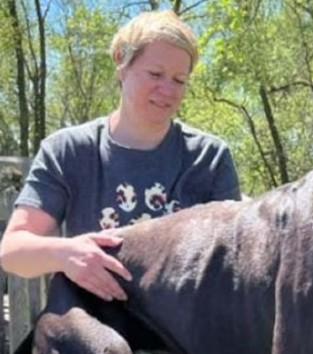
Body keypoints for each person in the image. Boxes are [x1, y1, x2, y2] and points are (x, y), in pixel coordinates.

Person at [0, 10, 241, 303]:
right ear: (121, 63)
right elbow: (13, 251)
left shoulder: (209, 157)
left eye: (179, 80)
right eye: (155, 74)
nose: (167, 89)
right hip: (93, 326)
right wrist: (66, 254)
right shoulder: (68, 151)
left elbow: (234, 260)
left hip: (183, 332)